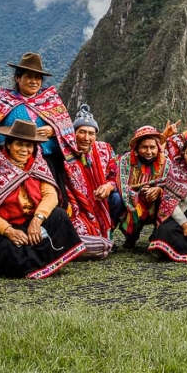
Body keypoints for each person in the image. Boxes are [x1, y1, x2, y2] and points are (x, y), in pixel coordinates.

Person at [0, 120, 84, 278]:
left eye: (29, 146)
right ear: (9, 145)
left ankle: (36, 261)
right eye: (20, 144)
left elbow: (50, 195)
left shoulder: (37, 165)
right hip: (2, 229)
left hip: (30, 221)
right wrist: (8, 231)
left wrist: (37, 220)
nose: (25, 150)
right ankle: (41, 261)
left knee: (59, 216)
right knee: (9, 251)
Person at [0, 52, 77, 207]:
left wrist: (54, 131)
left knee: (50, 205)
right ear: (17, 78)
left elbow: (67, 132)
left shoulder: (51, 102)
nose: (34, 81)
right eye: (28, 76)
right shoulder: (4, 102)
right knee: (17, 206)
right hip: (13, 164)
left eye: (37, 77)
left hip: (48, 163)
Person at [63, 104, 117, 259]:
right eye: (82, 132)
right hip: (77, 203)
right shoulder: (65, 154)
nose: (86, 138)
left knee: (117, 198)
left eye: (91, 133)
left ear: (96, 135)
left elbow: (115, 173)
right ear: (73, 134)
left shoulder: (104, 149)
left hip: (101, 200)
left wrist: (108, 186)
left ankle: (107, 233)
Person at [107, 125, 171, 248]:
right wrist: (139, 193)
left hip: (155, 200)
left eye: (152, 147)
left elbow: (170, 184)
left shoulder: (166, 162)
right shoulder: (126, 160)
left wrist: (158, 190)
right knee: (117, 198)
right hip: (132, 200)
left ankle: (158, 236)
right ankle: (128, 236)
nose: (149, 151)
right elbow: (123, 185)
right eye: (144, 147)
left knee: (168, 199)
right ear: (137, 148)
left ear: (158, 147)